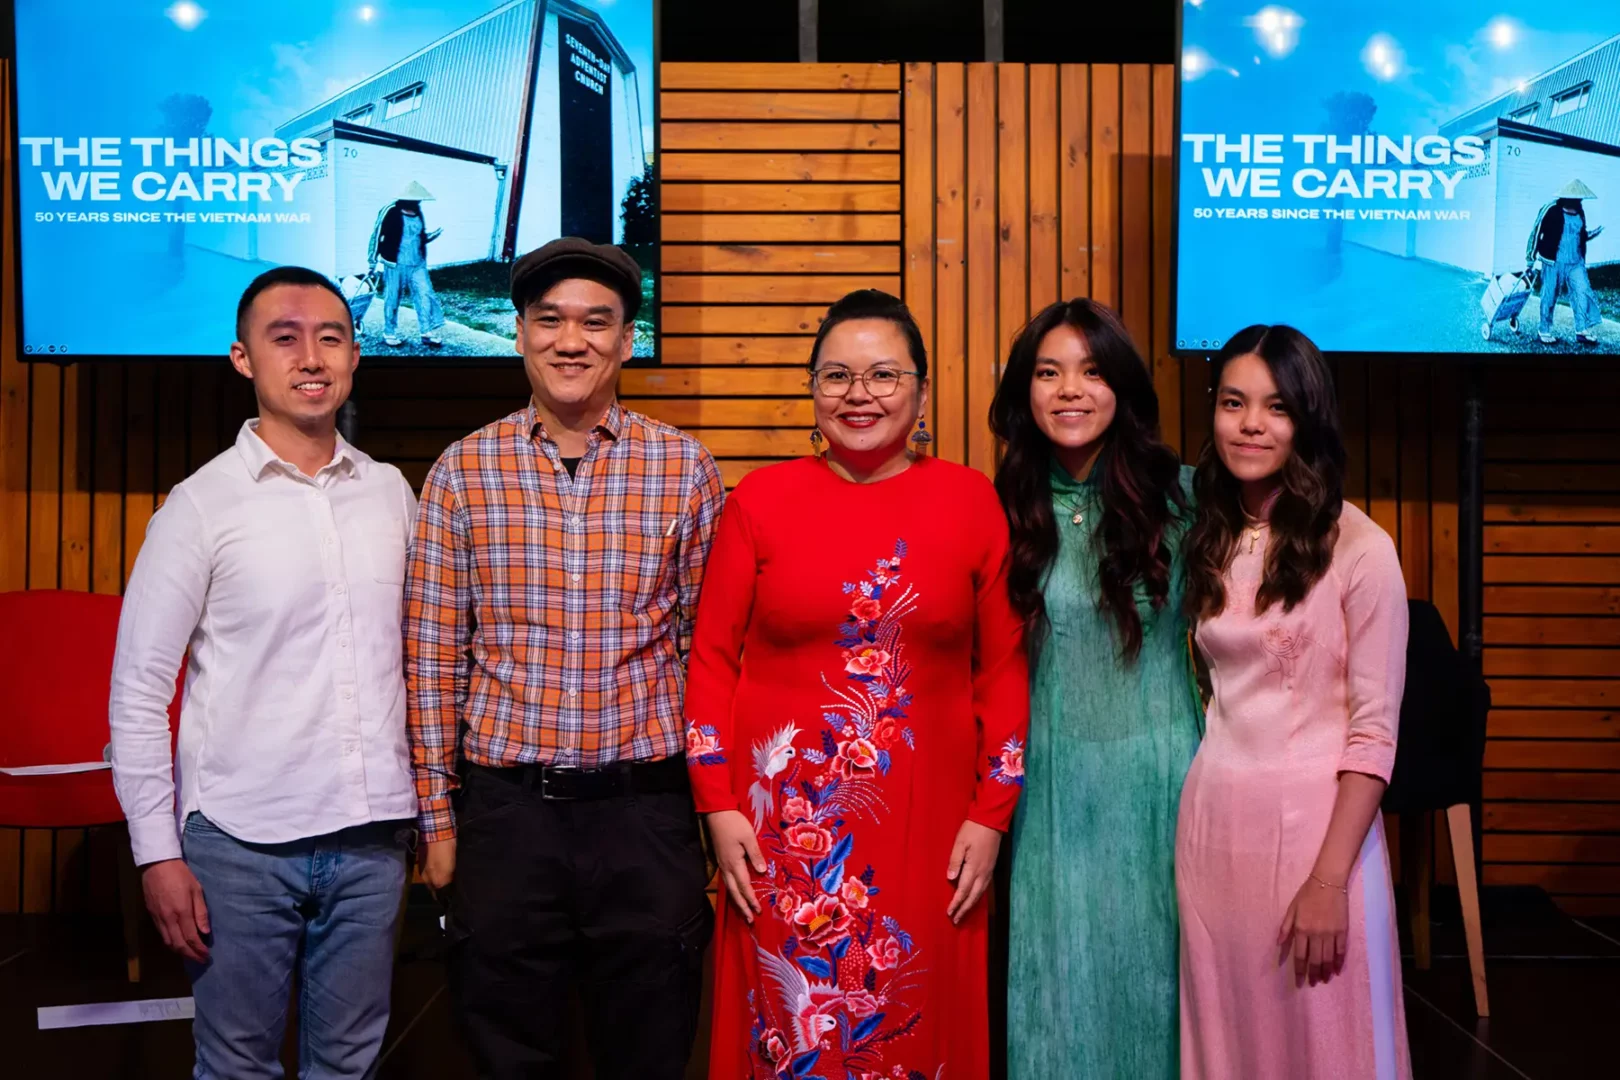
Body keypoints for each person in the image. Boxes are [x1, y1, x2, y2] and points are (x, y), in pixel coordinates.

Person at [685, 289, 1030, 1079]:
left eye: (883, 375)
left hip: (936, 830)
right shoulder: (760, 503)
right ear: (813, 390)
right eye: (836, 375)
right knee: (792, 1029)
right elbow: (710, 659)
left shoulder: (972, 501)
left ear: (921, 389)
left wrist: (993, 814)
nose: (859, 394)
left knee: (914, 1015)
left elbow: (1004, 668)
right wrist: (717, 803)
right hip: (783, 836)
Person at [405, 237, 725, 1079]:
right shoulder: (462, 472)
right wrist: (437, 820)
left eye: (596, 322)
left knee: (652, 1043)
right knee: (509, 1050)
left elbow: (707, 653)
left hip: (646, 814)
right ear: (519, 333)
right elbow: (434, 658)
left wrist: (714, 815)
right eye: (549, 321)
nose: (571, 340)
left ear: (627, 339)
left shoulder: (683, 468)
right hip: (508, 816)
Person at [109, 266, 418, 1078]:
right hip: (239, 845)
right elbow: (138, 693)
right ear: (243, 358)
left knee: (349, 1066)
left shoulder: (393, 496)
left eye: (330, 337)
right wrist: (156, 853)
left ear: (355, 357)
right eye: (285, 338)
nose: (310, 356)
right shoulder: (200, 506)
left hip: (373, 840)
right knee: (238, 1065)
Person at [1177, 325, 1411, 1079]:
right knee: (1229, 1042)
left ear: (1308, 419)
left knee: (1328, 1046)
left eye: (1276, 408)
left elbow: (1374, 734)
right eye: (1234, 403)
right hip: (1214, 828)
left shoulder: (1361, 549)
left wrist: (1328, 879)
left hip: (1318, 837)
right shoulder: (1210, 536)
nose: (1250, 424)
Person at [991, 299, 1202, 1080]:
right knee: (1054, 978)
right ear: (1025, 390)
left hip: (1164, 775)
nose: (1069, 390)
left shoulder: (1184, 498)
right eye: (1049, 372)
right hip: (1047, 783)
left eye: (1091, 371)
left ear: (1123, 388)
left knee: (1159, 975)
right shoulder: (1001, 507)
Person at [1527, 179, 1605, 346]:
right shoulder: (1551, 209)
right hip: (1553, 261)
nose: (1579, 201)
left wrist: (1593, 234)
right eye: (1577, 198)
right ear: (1566, 196)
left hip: (1575, 262)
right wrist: (1530, 258)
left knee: (1582, 293)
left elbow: (1580, 234)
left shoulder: (1579, 211)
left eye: (1580, 198)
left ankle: (1581, 330)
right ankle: (1544, 330)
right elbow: (1536, 232)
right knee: (1549, 295)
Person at [369, 180, 446, 348]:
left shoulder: (418, 212)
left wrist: (431, 236)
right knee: (392, 298)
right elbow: (376, 235)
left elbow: (418, 236)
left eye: (419, 200)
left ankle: (426, 332)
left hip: (417, 263)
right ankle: (389, 332)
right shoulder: (390, 211)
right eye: (415, 199)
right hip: (395, 263)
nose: (417, 202)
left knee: (425, 295)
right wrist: (371, 261)